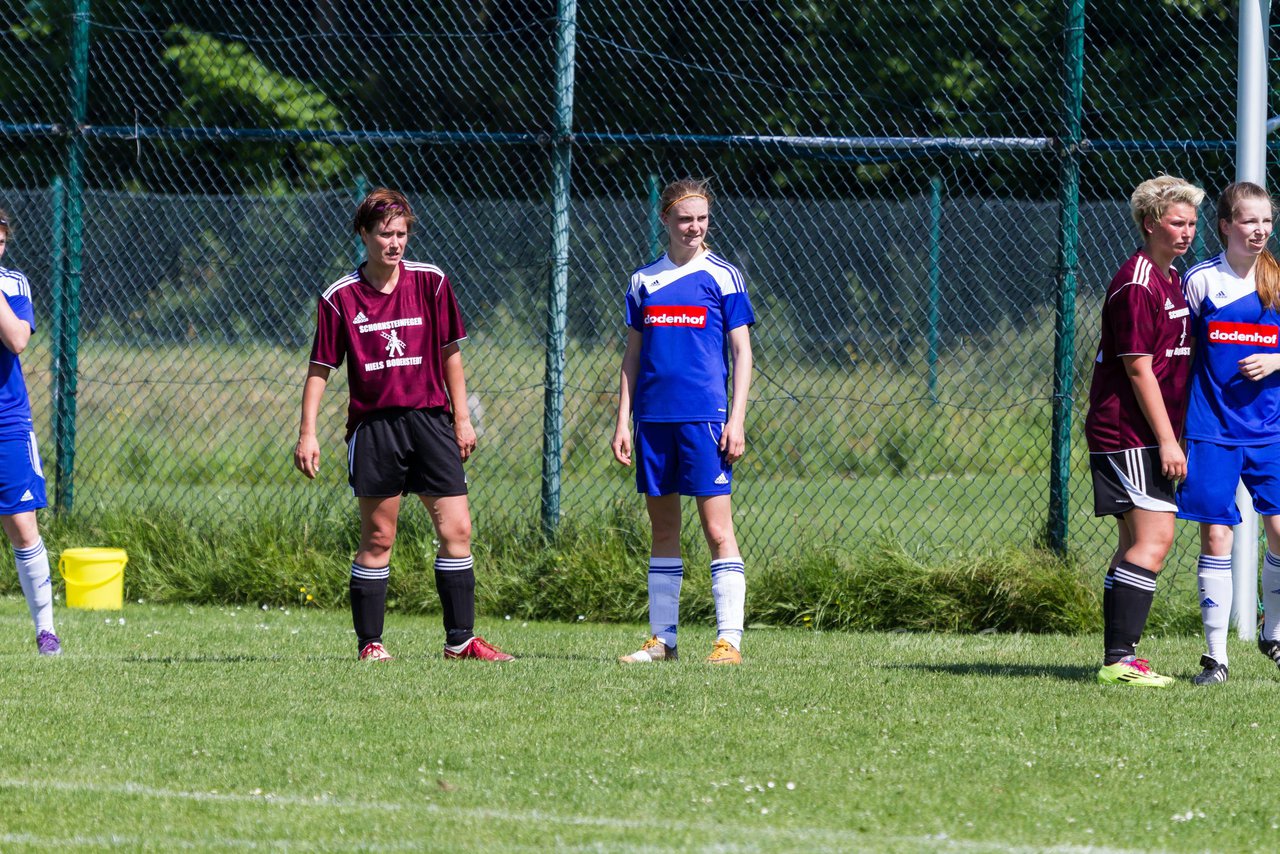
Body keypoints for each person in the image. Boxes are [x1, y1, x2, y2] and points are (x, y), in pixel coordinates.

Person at [294, 187, 512, 663]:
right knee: (378, 538)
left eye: (401, 234)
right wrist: (307, 432)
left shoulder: (431, 283)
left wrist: (461, 417)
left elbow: (451, 353)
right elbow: (320, 369)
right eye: (384, 234)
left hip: (431, 422)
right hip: (376, 430)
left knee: (457, 530)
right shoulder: (340, 297)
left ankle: (460, 641)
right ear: (364, 235)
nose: (394, 243)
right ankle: (370, 644)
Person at [611, 178, 755, 665]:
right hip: (655, 421)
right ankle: (663, 640)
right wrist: (623, 421)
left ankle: (728, 640)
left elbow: (742, 352)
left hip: (706, 421)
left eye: (702, 219)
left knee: (718, 531)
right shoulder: (642, 281)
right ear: (666, 221)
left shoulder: (724, 276)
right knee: (663, 531)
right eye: (684, 219)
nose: (694, 227)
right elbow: (632, 357)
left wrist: (736, 420)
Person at [1085, 174, 1203, 687]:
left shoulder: (1171, 276)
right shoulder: (1136, 284)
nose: (1186, 232)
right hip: (1129, 431)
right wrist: (1168, 440)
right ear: (1150, 223)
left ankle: (1117, 659)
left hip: (1143, 431)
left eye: (1193, 223)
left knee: (1135, 541)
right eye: (1177, 223)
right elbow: (1137, 369)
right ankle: (1120, 661)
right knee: (1156, 538)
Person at [1177, 181, 1280, 686]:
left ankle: (1273, 635)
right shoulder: (1200, 281)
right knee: (1218, 534)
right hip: (1212, 429)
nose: (1260, 230)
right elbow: (1174, 355)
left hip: (1270, 429)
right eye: (1249, 221)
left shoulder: (1278, 281)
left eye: (1266, 220)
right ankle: (1215, 660)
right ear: (1225, 225)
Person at [0, 209, 59, 655]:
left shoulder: (13, 284)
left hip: (7, 421)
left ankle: (46, 631)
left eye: (0, 242)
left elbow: (18, 339)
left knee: (23, 527)